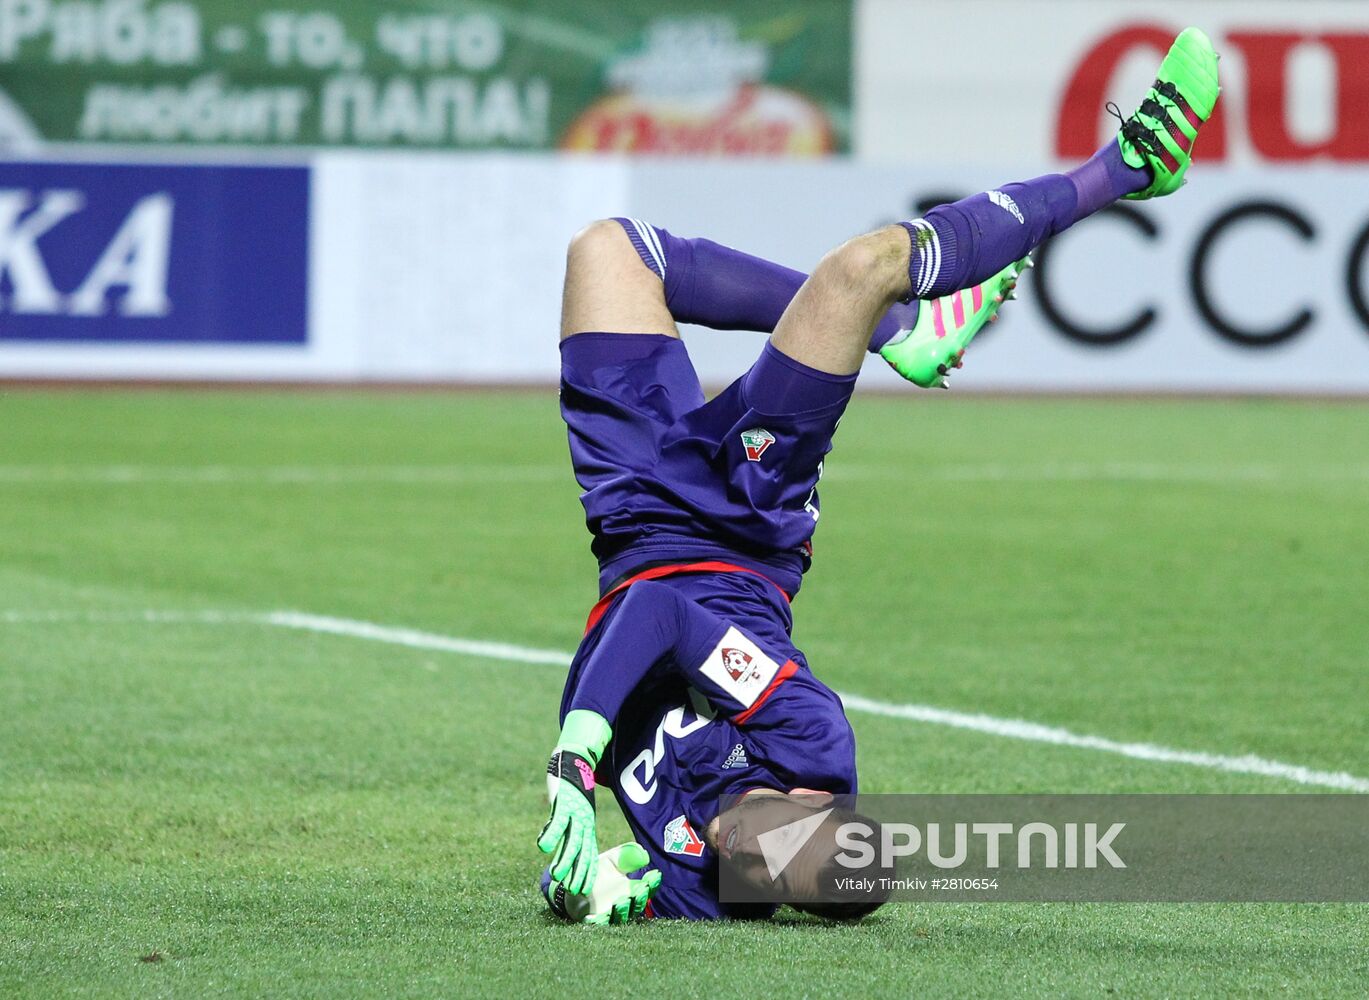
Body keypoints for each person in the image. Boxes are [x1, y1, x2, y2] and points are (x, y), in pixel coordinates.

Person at [536, 29, 1220, 922]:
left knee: (605, 250)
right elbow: (662, 614)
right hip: (738, 524)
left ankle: (899, 332)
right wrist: (576, 757)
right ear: (819, 804)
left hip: (629, 518)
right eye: (786, 836)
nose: (756, 847)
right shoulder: (806, 741)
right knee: (861, 271)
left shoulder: (708, 883)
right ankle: (1123, 170)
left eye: (768, 868)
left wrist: (580, 893)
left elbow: (596, 884)